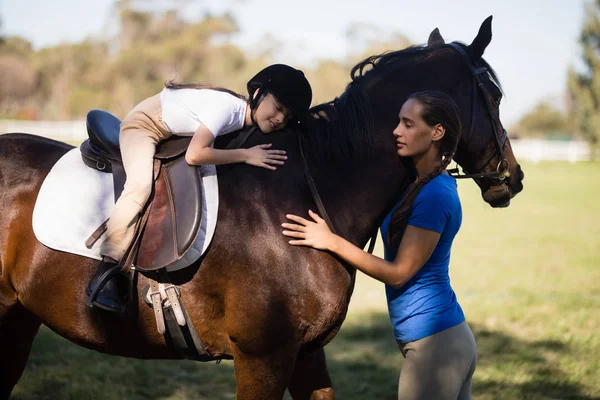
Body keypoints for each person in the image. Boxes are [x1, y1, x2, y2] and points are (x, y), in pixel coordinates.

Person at [282, 90, 477, 400]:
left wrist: (330, 241)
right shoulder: (417, 183)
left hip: (437, 345)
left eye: (408, 124)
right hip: (437, 341)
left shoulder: (435, 194)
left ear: (437, 132)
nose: (397, 131)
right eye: (399, 122)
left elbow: (399, 272)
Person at [87, 64, 312, 314]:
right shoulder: (227, 109)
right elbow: (195, 155)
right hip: (145, 125)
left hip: (168, 129)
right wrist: (246, 155)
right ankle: (107, 268)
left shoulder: (243, 117)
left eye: (288, 116)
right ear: (258, 93)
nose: (280, 118)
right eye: (279, 108)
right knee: (139, 186)